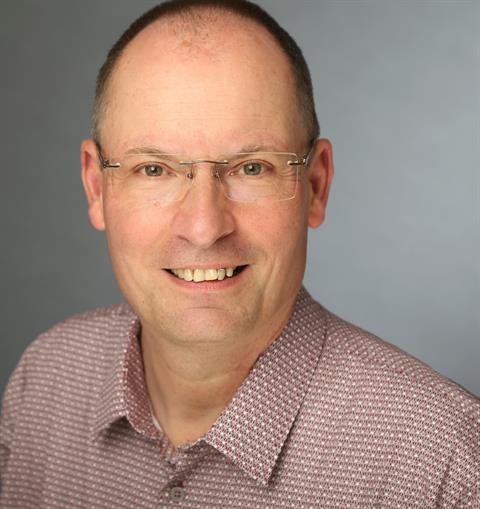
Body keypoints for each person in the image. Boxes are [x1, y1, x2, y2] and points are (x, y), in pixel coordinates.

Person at [0, 0, 478, 507]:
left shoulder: (445, 464)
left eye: (252, 168)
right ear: (97, 188)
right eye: (154, 170)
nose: (204, 227)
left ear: (315, 186)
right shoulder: (47, 380)